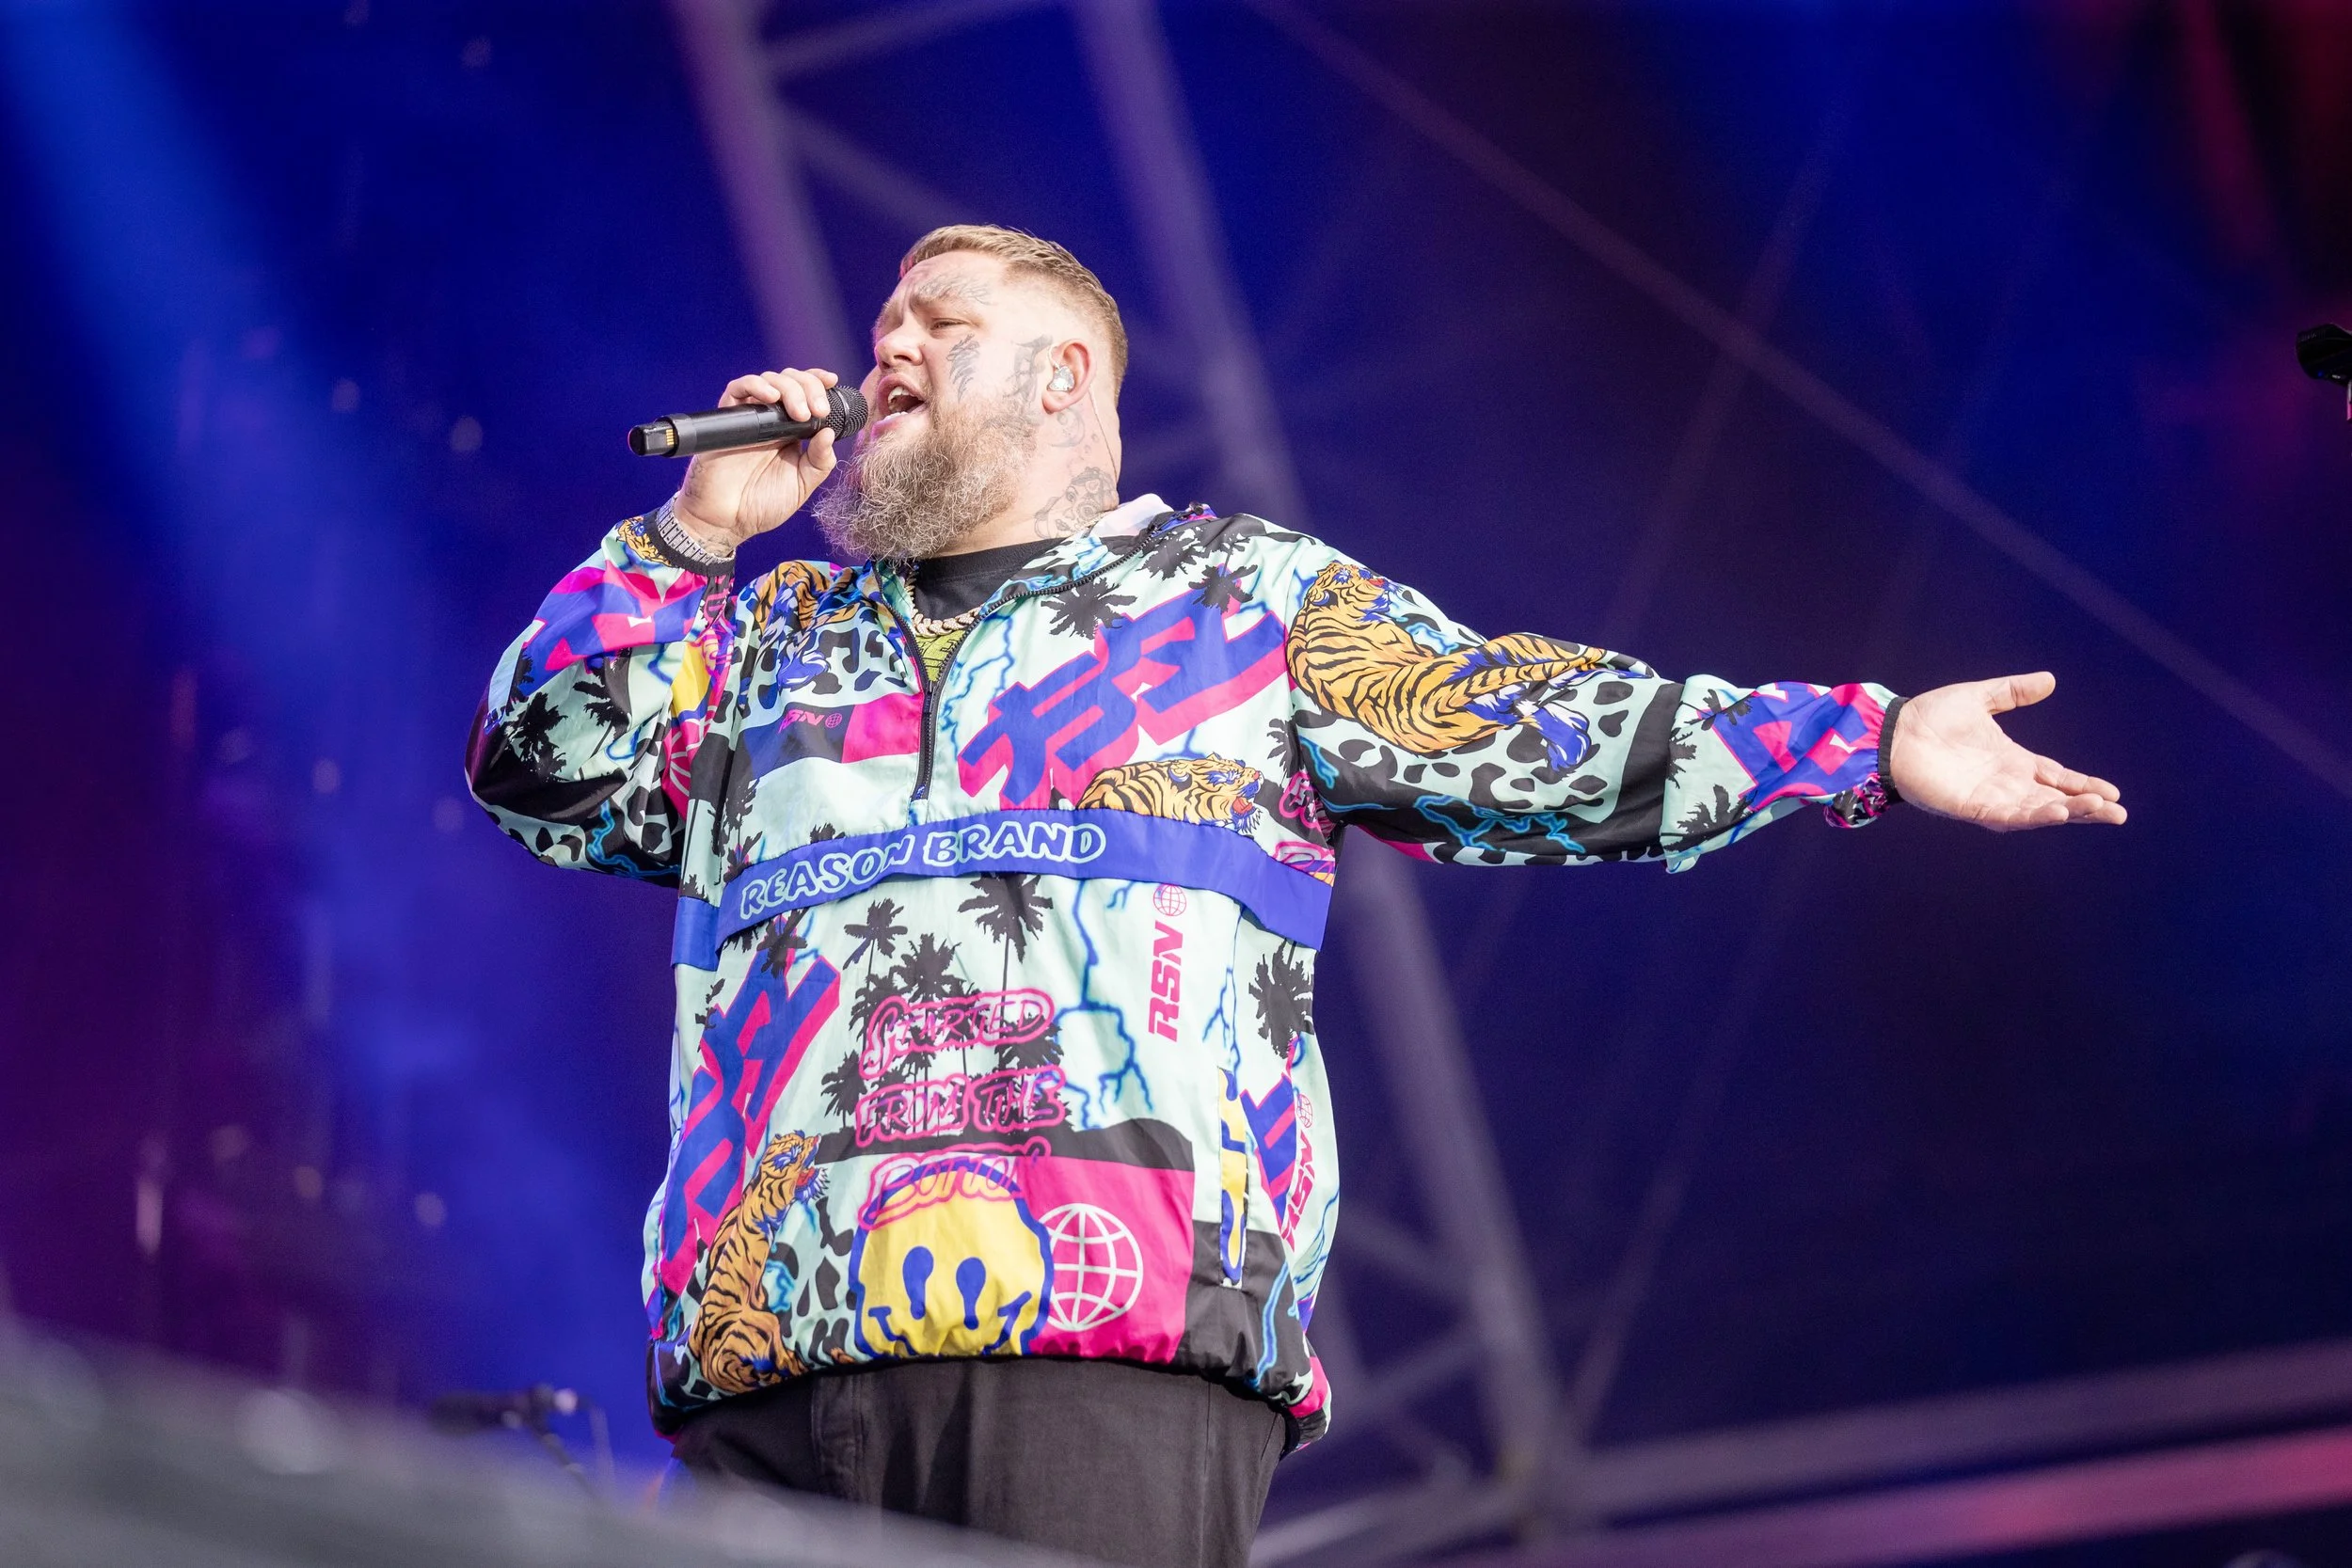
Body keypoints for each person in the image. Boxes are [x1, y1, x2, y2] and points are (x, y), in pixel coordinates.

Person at [467, 225, 2123, 1567]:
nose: (882, 345)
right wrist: (689, 541)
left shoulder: (1236, 602)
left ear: (1063, 377)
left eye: (938, 322)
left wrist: (1864, 736)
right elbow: (535, 770)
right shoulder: (764, 647)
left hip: (1102, 1337)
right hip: (769, 1352)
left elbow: (1530, 730)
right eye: (882, 321)